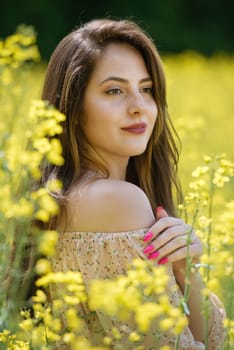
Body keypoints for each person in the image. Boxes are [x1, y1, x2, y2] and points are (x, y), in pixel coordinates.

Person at [41, 19, 225, 349]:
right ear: (73, 105)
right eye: (115, 90)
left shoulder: (63, 196)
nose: (139, 106)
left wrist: (186, 269)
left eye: (147, 89)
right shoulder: (117, 201)